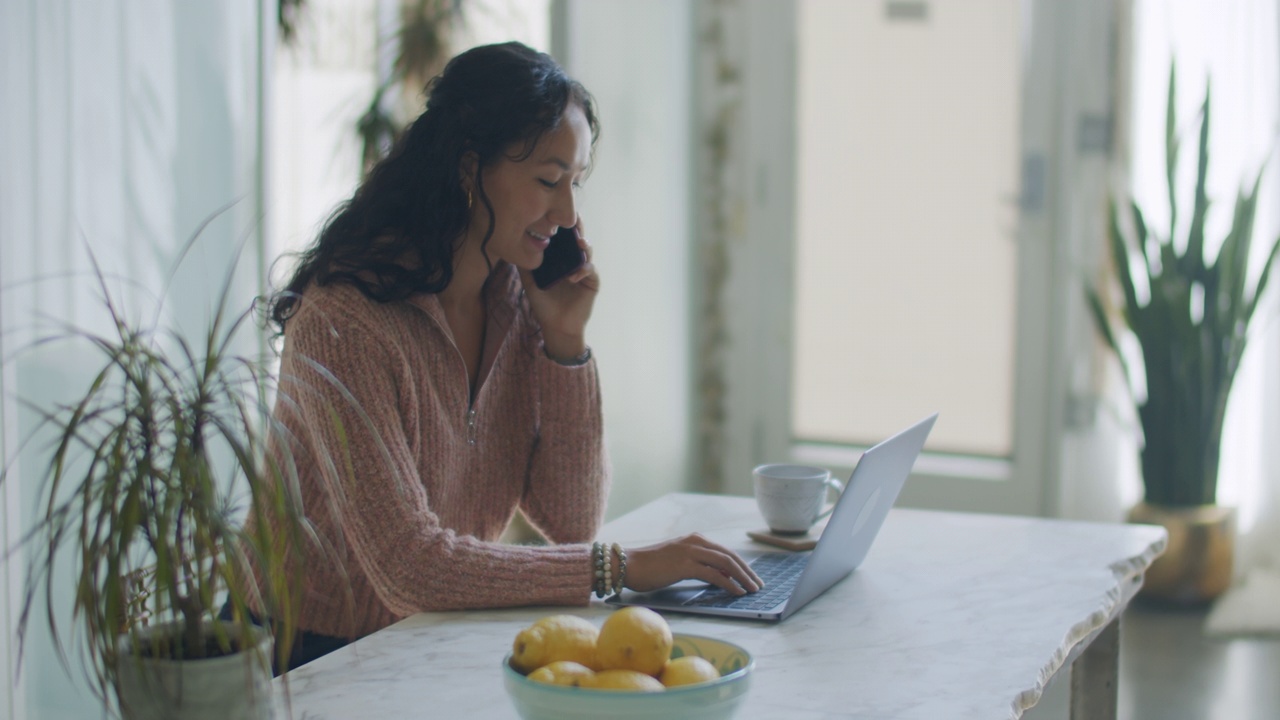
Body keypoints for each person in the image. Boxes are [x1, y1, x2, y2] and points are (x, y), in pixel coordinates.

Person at [232, 41, 761, 674]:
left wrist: (566, 346)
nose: (567, 214)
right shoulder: (346, 319)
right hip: (303, 659)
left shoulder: (515, 295)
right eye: (547, 180)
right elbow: (409, 565)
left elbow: (570, 521)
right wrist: (623, 568)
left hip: (424, 642)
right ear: (467, 168)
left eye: (576, 183)